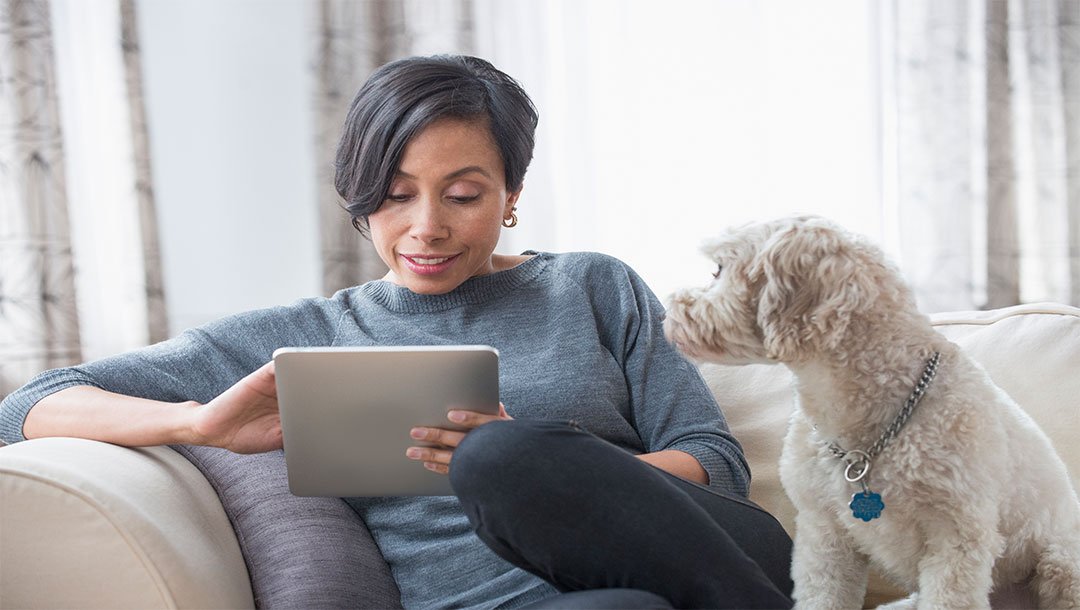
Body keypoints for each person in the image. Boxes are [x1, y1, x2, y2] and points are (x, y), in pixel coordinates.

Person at [0, 55, 793, 609]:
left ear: (511, 193)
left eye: (463, 194)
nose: (426, 228)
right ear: (361, 197)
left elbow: (716, 463)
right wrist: (196, 422)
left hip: (711, 551)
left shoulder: (589, 284)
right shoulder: (303, 336)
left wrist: (557, 468)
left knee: (504, 454)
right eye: (396, 194)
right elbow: (28, 406)